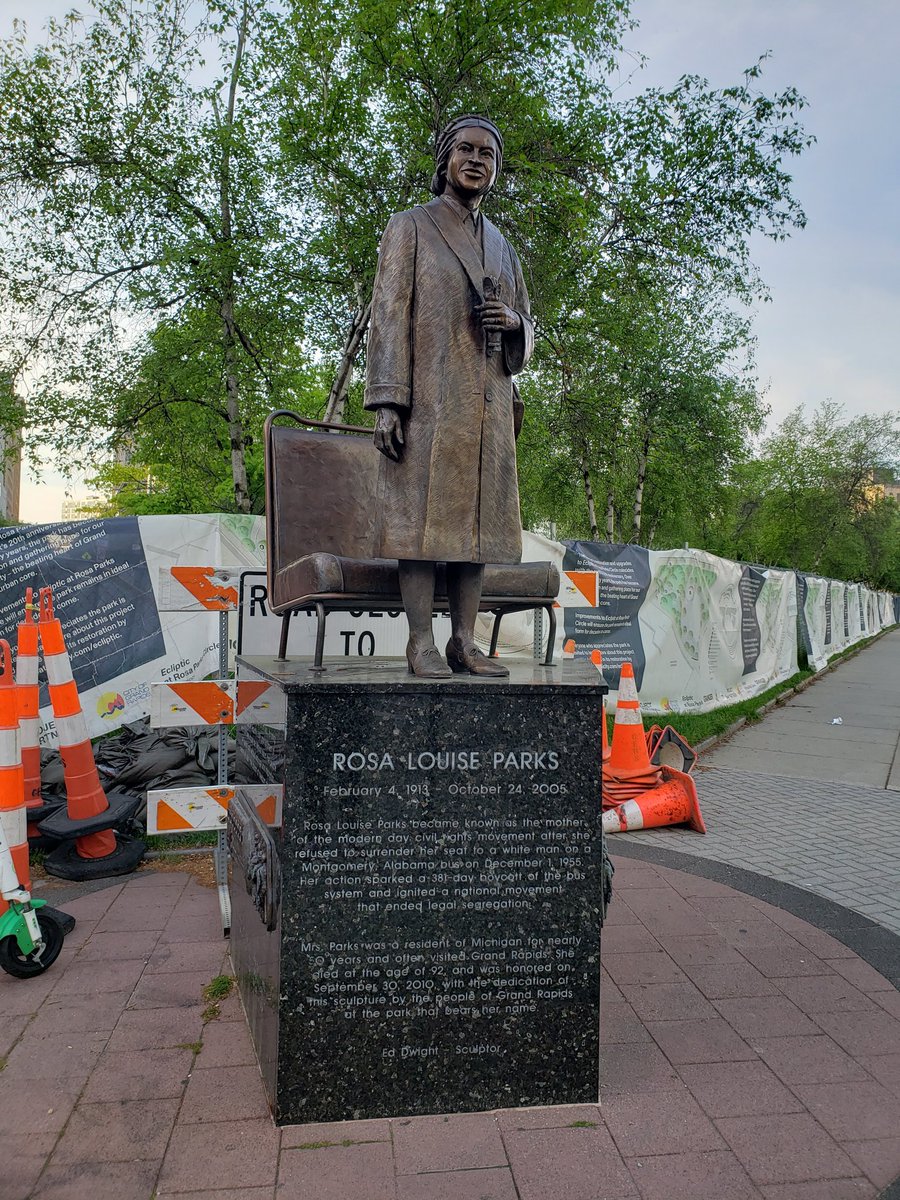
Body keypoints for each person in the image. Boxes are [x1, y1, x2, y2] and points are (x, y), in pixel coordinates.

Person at [364, 114, 534, 678]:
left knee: (478, 526)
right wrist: (389, 399)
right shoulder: (410, 226)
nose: (478, 160)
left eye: (489, 153)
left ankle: (465, 640)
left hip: (487, 402)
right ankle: (421, 642)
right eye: (467, 149)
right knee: (420, 525)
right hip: (430, 401)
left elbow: (527, 326)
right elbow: (388, 315)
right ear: (445, 158)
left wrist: (514, 323)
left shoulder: (504, 246)